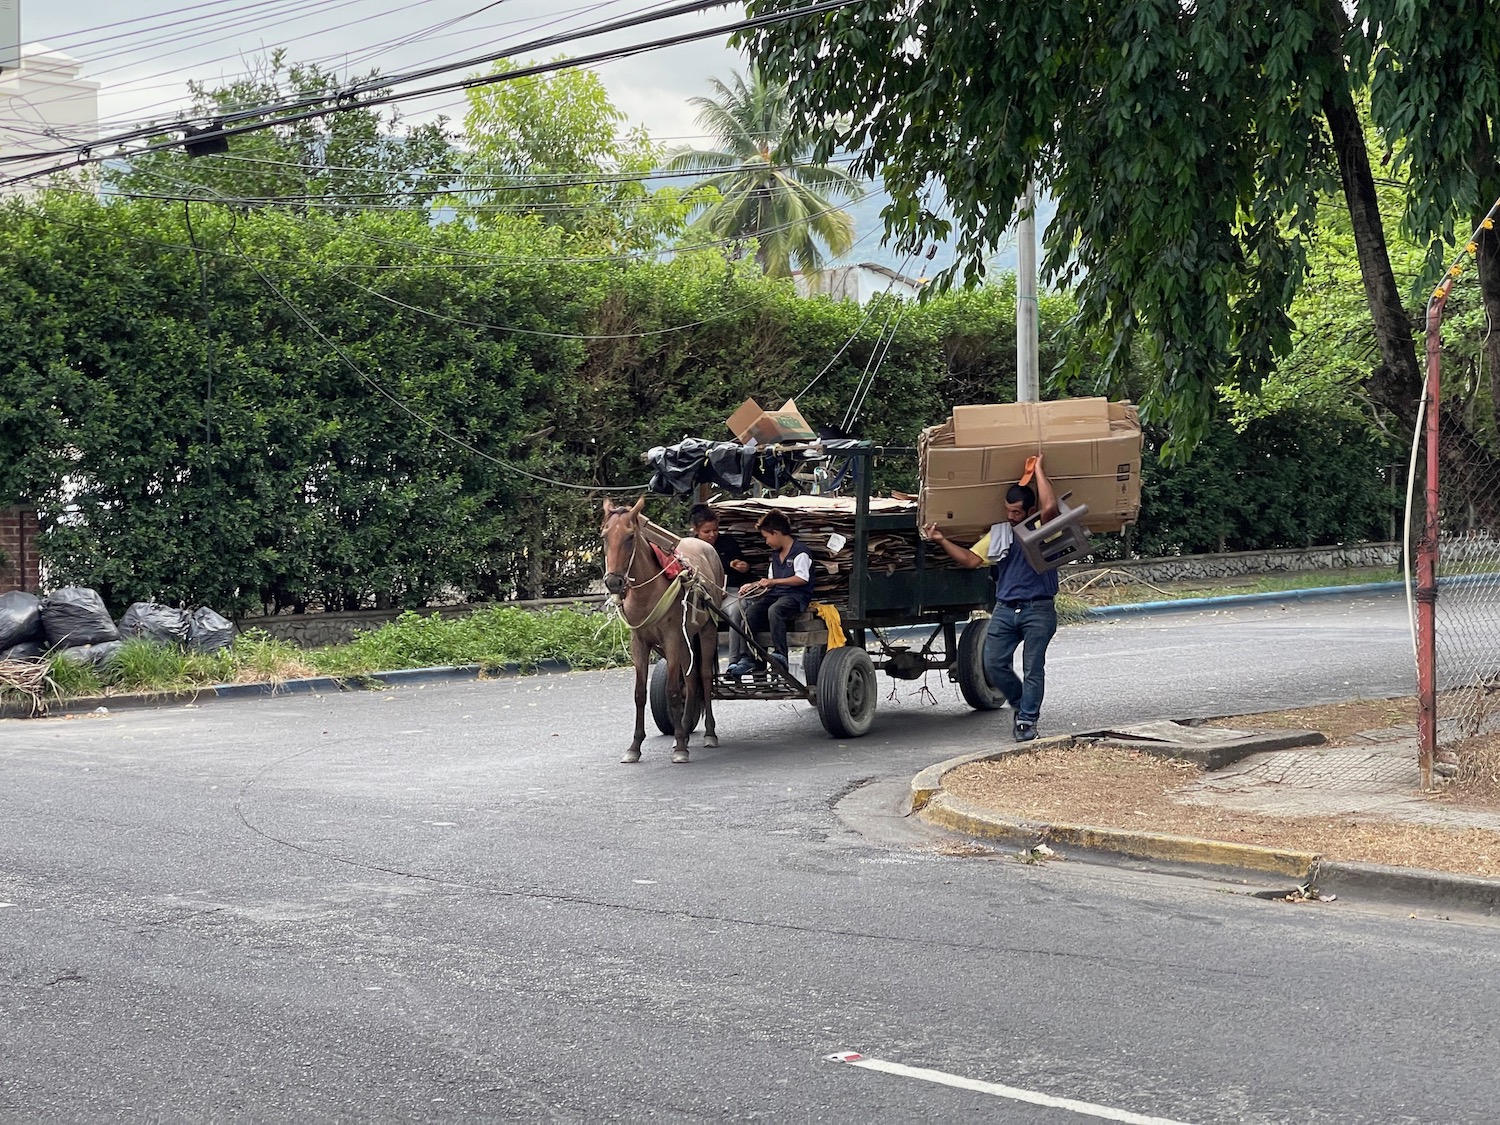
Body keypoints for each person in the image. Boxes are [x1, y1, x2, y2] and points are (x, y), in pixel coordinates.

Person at [922, 454, 1060, 741]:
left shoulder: (1042, 529)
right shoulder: (1000, 534)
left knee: (1033, 667)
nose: (1011, 517)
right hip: (1006, 610)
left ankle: (1027, 720)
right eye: (1008, 511)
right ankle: (1023, 704)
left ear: (1029, 510)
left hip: (1039, 609)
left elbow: (1049, 506)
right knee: (992, 663)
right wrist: (942, 540)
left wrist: (1039, 472)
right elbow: (972, 560)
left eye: (1018, 513)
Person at [729, 511, 815, 677]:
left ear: (776, 533)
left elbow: (802, 578)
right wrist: (752, 586)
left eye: (767, 537)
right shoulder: (775, 555)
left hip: (796, 596)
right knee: (750, 613)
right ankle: (748, 657)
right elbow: (768, 582)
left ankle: (780, 654)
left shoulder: (800, 552)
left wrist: (774, 582)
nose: (766, 542)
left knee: (775, 610)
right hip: (776, 594)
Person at [689, 503, 753, 670]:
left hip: (727, 593)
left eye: (715, 530)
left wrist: (743, 567)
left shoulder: (728, 543)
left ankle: (734, 661)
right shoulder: (689, 547)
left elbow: (744, 570)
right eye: (706, 532)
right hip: (698, 597)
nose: (712, 535)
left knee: (739, 608)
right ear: (695, 530)